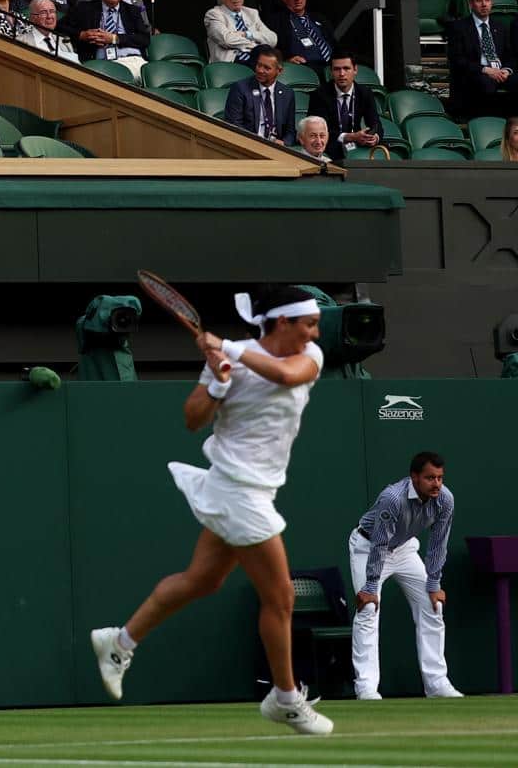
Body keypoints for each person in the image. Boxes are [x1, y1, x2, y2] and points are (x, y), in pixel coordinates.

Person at [89, 286, 334, 735]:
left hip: (256, 489)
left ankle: (119, 642)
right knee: (281, 598)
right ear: (282, 322)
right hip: (237, 489)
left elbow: (286, 377)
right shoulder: (229, 361)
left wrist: (230, 350)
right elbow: (192, 418)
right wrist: (219, 382)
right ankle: (285, 698)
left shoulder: (309, 356)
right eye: (309, 323)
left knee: (201, 580)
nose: (315, 331)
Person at [348, 452, 463, 699]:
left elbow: (438, 544)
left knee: (433, 606)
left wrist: (434, 583)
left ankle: (437, 683)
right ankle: (366, 687)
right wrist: (370, 586)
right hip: (368, 547)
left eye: (440, 478)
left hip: (405, 549)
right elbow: (379, 543)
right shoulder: (393, 498)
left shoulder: (445, 500)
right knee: (368, 609)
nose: (437, 484)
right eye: (430, 478)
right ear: (414, 477)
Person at [445, 0, 514, 120]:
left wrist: (506, 70)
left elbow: (510, 55)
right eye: (479, 0)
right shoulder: (459, 27)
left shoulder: (500, 27)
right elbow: (457, 60)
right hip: (477, 72)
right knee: (485, 82)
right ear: (471, 4)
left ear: (491, 2)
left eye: (487, 0)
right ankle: (487, 122)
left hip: (500, 72)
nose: (484, 4)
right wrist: (486, 70)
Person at [65, 0, 150, 75]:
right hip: (102, 64)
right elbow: (60, 27)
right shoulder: (85, 8)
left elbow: (145, 39)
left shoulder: (132, 10)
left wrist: (114, 38)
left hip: (132, 61)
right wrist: (82, 35)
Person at [223, 47, 298, 145]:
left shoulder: (287, 93)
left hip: (276, 148)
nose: (260, 70)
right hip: (249, 145)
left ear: (279, 71)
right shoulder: (240, 88)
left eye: (267, 68)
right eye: (259, 65)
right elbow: (234, 125)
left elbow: (290, 131)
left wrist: (284, 143)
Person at [205, 0, 279, 65]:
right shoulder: (214, 14)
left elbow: (272, 38)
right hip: (231, 63)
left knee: (273, 65)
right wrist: (255, 47)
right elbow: (227, 39)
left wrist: (247, 34)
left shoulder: (252, 13)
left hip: (256, 58)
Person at [272, 0, 334, 70]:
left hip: (332, 68)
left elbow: (335, 45)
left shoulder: (319, 18)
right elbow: (273, 50)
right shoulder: (277, 21)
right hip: (303, 69)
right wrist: (285, 60)